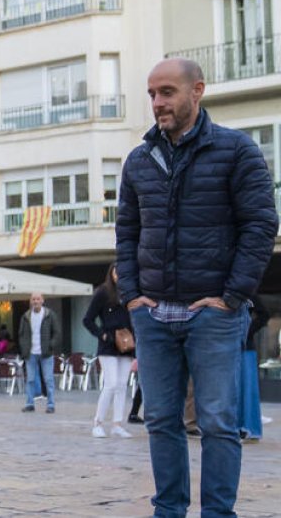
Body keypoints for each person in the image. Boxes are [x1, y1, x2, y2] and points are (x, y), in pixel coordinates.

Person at [116, 58, 277, 517]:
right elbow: (126, 232)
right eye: (151, 94)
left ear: (197, 91)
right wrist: (132, 296)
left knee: (218, 424)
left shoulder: (237, 150)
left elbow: (261, 225)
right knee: (161, 420)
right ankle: (168, 511)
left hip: (214, 315)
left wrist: (231, 297)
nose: (157, 103)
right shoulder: (139, 160)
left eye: (167, 92)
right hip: (153, 313)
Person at [83, 264, 135, 438]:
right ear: (111, 273)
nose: (119, 275)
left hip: (127, 344)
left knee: (122, 385)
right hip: (108, 345)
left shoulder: (130, 293)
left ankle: (117, 424)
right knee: (111, 384)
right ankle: (98, 422)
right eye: (116, 271)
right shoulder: (103, 292)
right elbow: (87, 319)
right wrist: (102, 335)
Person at [18, 293, 62, 414]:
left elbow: (57, 332)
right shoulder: (26, 316)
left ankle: (51, 405)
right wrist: (24, 348)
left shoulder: (49, 315)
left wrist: (50, 345)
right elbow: (21, 334)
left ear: (42, 300)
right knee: (30, 379)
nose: (35, 301)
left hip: (46, 352)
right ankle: (29, 404)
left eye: (38, 299)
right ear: (30, 301)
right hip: (31, 353)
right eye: (33, 299)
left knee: (48, 379)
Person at [240, 292, 270, 442]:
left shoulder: (248, 291)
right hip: (223, 346)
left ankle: (250, 429)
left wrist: (248, 331)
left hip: (245, 348)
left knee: (248, 390)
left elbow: (264, 314)